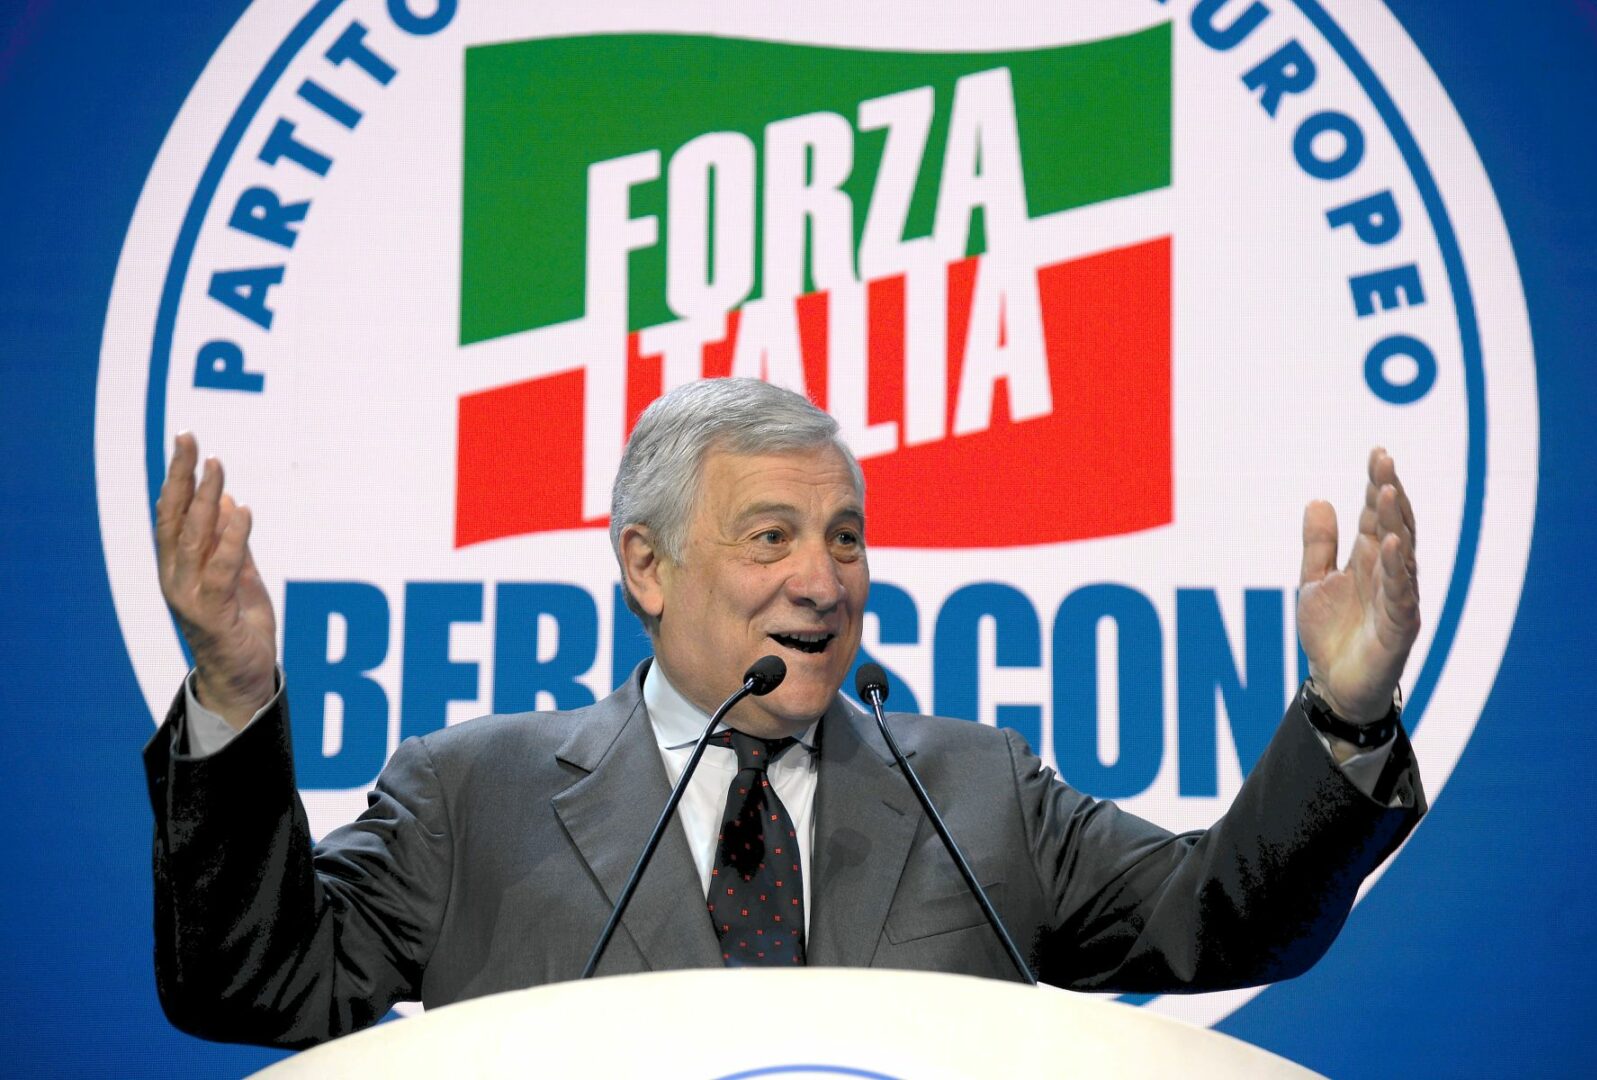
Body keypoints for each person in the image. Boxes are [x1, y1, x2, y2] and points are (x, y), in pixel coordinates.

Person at [145, 378, 1424, 1048]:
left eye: (845, 538)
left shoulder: (975, 788)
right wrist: (236, 697)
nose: (823, 581)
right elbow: (256, 986)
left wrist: (1347, 710)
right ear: (646, 567)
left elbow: (1224, 919)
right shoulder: (471, 795)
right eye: (770, 537)